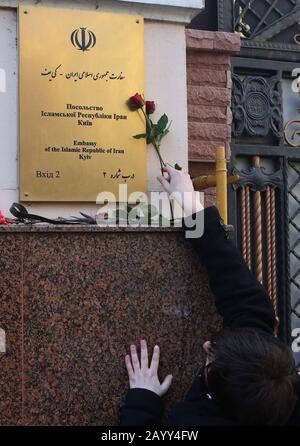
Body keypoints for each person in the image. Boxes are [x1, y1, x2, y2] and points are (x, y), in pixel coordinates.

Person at [119, 166, 300, 426]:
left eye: (210, 362)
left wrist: (142, 401)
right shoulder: (264, 373)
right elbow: (234, 281)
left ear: (216, 396)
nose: (206, 345)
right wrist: (191, 206)